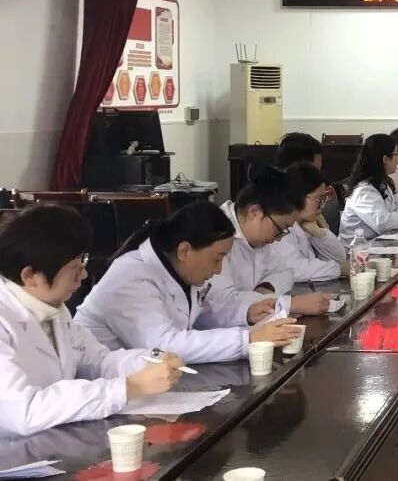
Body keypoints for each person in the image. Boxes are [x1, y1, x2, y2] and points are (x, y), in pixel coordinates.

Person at [0, 205, 186, 436]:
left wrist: (151, 359)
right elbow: (25, 411)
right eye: (74, 267)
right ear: (30, 276)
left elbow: (97, 362)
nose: (84, 275)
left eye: (83, 262)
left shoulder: (51, 307)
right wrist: (130, 387)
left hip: (56, 438)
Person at [74, 203, 300, 364]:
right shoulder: (131, 275)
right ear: (184, 250)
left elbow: (205, 311)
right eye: (217, 259)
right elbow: (163, 344)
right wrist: (248, 339)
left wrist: (247, 312)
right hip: (103, 385)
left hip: (148, 380)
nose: (219, 270)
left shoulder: (180, 270)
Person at [212, 163, 331, 318]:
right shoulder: (216, 233)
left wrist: (267, 287)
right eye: (280, 228)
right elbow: (221, 303)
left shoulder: (260, 237)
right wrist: (290, 304)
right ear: (255, 212)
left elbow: (285, 272)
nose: (279, 239)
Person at [271, 163, 349, 282]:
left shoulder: (306, 224)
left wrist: (319, 233)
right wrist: (338, 269)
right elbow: (294, 269)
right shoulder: (280, 224)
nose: (322, 205)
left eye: (324, 199)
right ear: (299, 196)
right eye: (319, 199)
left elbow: (340, 258)